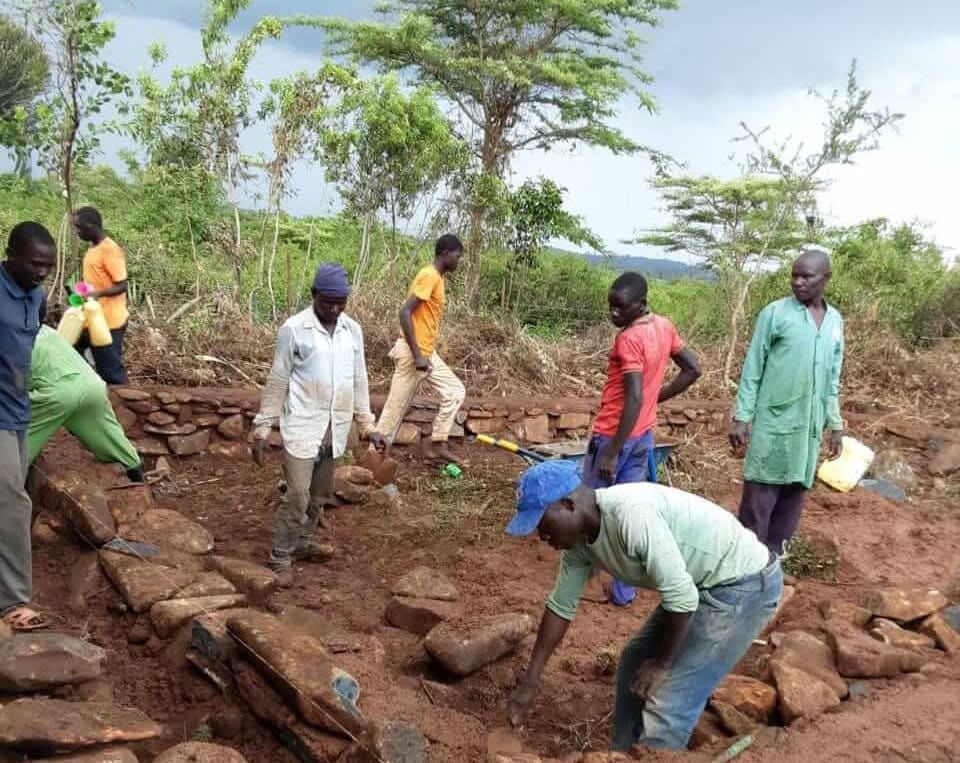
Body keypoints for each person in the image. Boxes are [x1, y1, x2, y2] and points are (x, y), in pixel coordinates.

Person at [504, 459, 782, 751]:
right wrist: (530, 682)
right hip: (699, 585)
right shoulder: (578, 544)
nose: (542, 537)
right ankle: (624, 754)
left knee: (670, 701)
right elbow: (560, 607)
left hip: (743, 585)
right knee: (636, 660)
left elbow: (681, 598)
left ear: (568, 504)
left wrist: (662, 664)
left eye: (543, 525)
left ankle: (658, 752)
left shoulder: (630, 515)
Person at [252, 263, 386, 587]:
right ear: (314, 295)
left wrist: (368, 424)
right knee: (297, 493)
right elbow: (278, 377)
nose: (335, 309)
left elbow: (359, 378)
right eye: (328, 302)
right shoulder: (294, 329)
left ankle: (303, 542)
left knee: (319, 494)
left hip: (334, 426)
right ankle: (280, 555)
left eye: (341, 302)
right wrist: (263, 425)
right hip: (301, 423)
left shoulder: (352, 330)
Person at [582, 272, 701, 606]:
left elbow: (633, 397)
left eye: (620, 308)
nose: (613, 315)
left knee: (591, 508)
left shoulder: (629, 340)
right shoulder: (663, 326)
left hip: (613, 438)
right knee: (631, 513)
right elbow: (693, 369)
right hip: (643, 437)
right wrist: (656, 400)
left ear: (640, 304)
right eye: (610, 307)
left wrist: (610, 453)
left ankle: (587, 582)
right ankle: (624, 590)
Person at [729, 248, 844, 556]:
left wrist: (835, 425)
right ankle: (743, 567)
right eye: (794, 275)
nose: (798, 282)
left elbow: (833, 377)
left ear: (826, 278)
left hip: (809, 430)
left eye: (807, 276)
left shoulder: (834, 322)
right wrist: (742, 417)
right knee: (759, 498)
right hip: (774, 423)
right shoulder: (776, 314)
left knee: (793, 497)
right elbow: (753, 367)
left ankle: (773, 563)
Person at [0, 222, 56, 631]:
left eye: (48, 266)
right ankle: (13, 602)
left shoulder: (37, 297)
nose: (41, 272)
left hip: (18, 412)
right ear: (11, 254)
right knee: (13, 503)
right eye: (35, 263)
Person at [374, 234, 466, 464]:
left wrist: (424, 354)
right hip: (412, 353)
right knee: (394, 409)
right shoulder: (429, 276)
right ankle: (373, 460)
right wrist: (417, 355)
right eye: (457, 256)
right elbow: (405, 312)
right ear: (445, 253)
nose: (458, 261)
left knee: (455, 392)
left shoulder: (437, 279)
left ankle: (437, 444)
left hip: (426, 353)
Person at [27, 325, 144, 481]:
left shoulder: (11, 334)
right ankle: (138, 477)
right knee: (111, 441)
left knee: (14, 441)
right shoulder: (43, 328)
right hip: (92, 386)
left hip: (55, 394)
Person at [74, 206, 129, 385]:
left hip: (111, 322)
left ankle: (124, 406)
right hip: (95, 318)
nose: (77, 231)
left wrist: (97, 293)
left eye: (79, 227)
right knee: (77, 354)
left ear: (92, 225)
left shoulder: (110, 250)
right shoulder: (93, 249)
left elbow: (122, 285)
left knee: (111, 371)